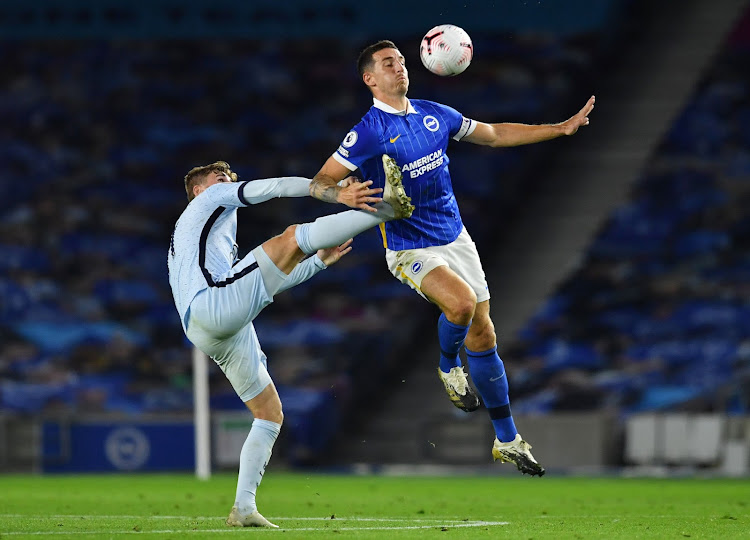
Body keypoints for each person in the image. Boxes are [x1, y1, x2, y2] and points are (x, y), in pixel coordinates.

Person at [310, 40, 596, 477]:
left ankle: (507, 439)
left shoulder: (434, 114)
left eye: (402, 61)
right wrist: (341, 193)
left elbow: (496, 134)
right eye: (389, 64)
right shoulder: (366, 131)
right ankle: (447, 367)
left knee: (483, 334)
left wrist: (558, 129)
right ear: (370, 78)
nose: (400, 68)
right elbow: (320, 182)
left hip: (455, 237)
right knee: (460, 305)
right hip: (409, 246)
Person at [167, 161, 412, 528]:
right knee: (293, 236)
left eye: (228, 177)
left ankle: (243, 508)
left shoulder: (208, 241)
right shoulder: (206, 202)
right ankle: (389, 208)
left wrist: (318, 264)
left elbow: (266, 282)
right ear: (200, 191)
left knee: (269, 414)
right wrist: (332, 191)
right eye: (218, 178)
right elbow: (275, 186)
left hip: (209, 324)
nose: (227, 181)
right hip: (210, 304)